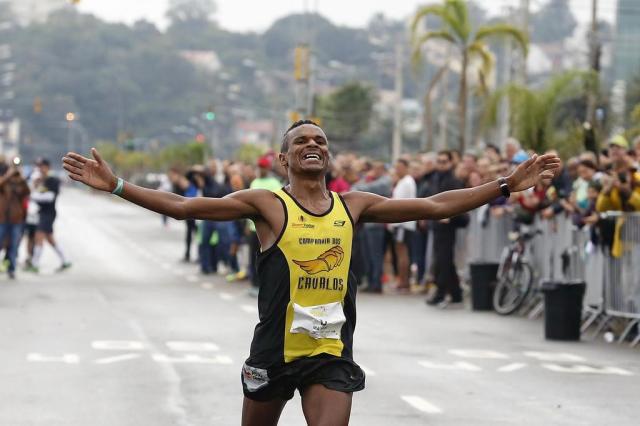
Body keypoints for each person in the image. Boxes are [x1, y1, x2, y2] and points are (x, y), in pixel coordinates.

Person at [62, 120, 559, 426]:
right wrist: (119, 186)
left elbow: (431, 205)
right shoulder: (267, 205)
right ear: (283, 159)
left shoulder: (355, 204)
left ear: (328, 155)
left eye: (320, 140)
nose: (312, 144)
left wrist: (504, 186)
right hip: (273, 353)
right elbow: (184, 206)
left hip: (329, 354)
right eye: (301, 141)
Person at [426, 151, 469, 307]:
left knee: (443, 261)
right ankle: (456, 294)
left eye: (444, 161)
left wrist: (450, 216)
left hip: (448, 226)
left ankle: (441, 293)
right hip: (437, 225)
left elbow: (459, 203)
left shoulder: (453, 181)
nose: (441, 164)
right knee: (445, 261)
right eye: (439, 161)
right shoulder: (435, 178)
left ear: (451, 163)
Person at [27, 158, 71, 273]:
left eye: (42, 166)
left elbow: (49, 197)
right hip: (41, 212)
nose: (40, 169)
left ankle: (35, 264)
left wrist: (33, 196)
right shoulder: (40, 180)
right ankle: (65, 261)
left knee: (38, 236)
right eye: (39, 166)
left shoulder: (53, 180)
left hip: (49, 213)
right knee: (50, 239)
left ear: (48, 167)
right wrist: (35, 185)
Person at [247, 155, 281, 296]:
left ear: (267, 168)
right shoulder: (254, 182)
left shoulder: (275, 183)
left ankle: (267, 286)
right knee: (254, 258)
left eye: (263, 167)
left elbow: (279, 205)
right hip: (253, 229)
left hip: (269, 230)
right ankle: (254, 284)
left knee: (268, 259)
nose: (261, 170)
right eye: (259, 167)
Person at [388, 158, 417, 291]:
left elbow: (401, 203)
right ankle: (403, 280)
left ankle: (404, 281)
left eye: (399, 167)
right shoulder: (402, 181)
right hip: (399, 222)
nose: (397, 170)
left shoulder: (407, 182)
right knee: (400, 252)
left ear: (406, 167)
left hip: (403, 223)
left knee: (402, 252)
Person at [0, 163, 30, 279]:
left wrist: (21, 178)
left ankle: (11, 269)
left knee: (13, 245)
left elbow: (28, 192)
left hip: (16, 220)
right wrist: (8, 175)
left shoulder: (20, 184)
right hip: (2, 219)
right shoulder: (4, 183)